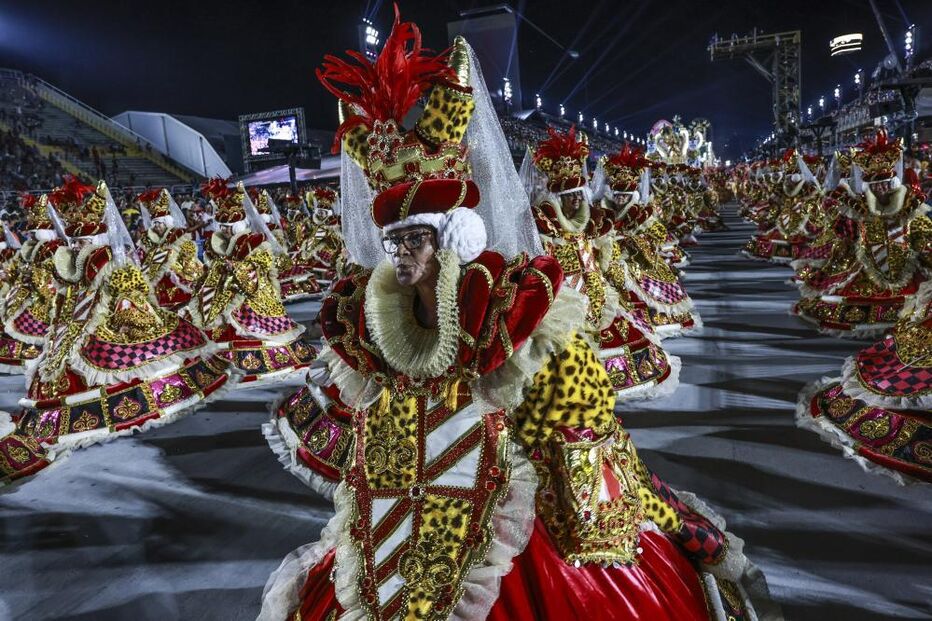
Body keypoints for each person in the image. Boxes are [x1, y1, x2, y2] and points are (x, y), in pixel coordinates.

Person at [259, 14, 777, 621]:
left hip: (512, 510)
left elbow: (573, 420)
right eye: (392, 241)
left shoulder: (512, 310)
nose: (398, 256)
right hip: (407, 519)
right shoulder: (372, 319)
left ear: (452, 237)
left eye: (414, 242)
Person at [0, 179, 231, 486]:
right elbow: (70, 298)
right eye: (74, 241)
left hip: (113, 324)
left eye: (81, 242)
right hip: (74, 328)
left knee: (106, 358)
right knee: (59, 363)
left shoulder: (110, 262)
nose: (76, 246)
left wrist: (121, 311)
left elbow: (132, 298)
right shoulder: (73, 264)